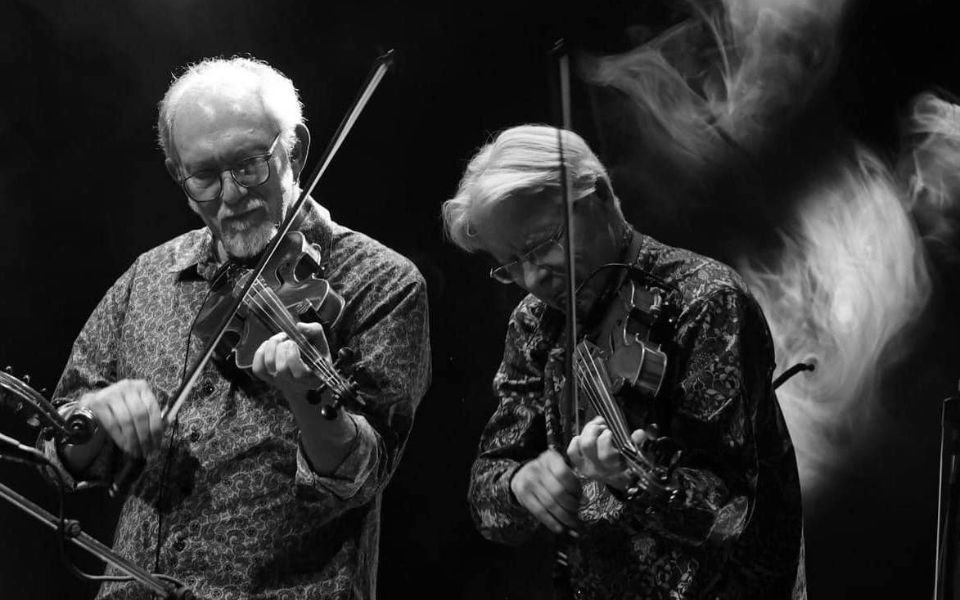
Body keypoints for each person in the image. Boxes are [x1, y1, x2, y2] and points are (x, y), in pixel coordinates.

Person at [41, 57, 431, 600]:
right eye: (203, 176)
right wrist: (95, 417)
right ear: (180, 178)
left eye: (250, 165)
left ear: (293, 147)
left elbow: (362, 476)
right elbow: (61, 458)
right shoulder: (147, 278)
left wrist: (307, 394)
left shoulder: (380, 281)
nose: (230, 194)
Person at [443, 125, 804, 599]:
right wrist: (519, 485)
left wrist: (636, 479)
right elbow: (486, 490)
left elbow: (731, 509)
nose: (533, 279)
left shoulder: (704, 302)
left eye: (541, 245)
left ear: (600, 197)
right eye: (510, 264)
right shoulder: (536, 322)